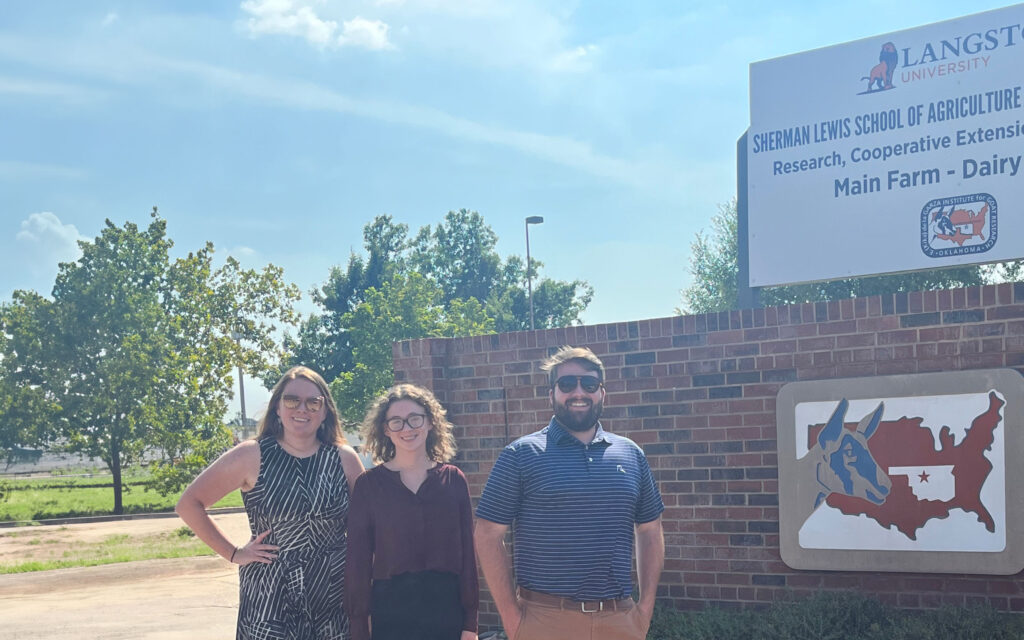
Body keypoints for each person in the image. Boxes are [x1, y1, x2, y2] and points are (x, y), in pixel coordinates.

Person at [475, 346, 665, 640]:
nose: (579, 392)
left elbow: (650, 530)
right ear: (551, 394)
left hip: (620, 621)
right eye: (567, 384)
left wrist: (645, 609)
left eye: (589, 384)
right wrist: (512, 618)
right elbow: (487, 534)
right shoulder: (521, 454)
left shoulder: (631, 454)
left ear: (602, 392)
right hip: (544, 621)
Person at [176, 365, 365, 639]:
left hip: (332, 590)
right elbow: (189, 503)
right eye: (292, 400)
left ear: (325, 411)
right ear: (277, 407)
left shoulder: (344, 458)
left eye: (314, 402)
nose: (303, 408)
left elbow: (367, 525)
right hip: (270, 594)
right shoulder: (252, 455)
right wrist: (234, 553)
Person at [345, 384, 478, 640]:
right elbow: (358, 562)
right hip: (391, 614)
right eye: (397, 422)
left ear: (430, 422)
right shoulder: (369, 486)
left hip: (447, 612)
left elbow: (468, 557)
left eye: (415, 418)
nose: (407, 428)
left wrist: (470, 624)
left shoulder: (453, 480)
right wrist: (359, 627)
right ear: (385, 429)